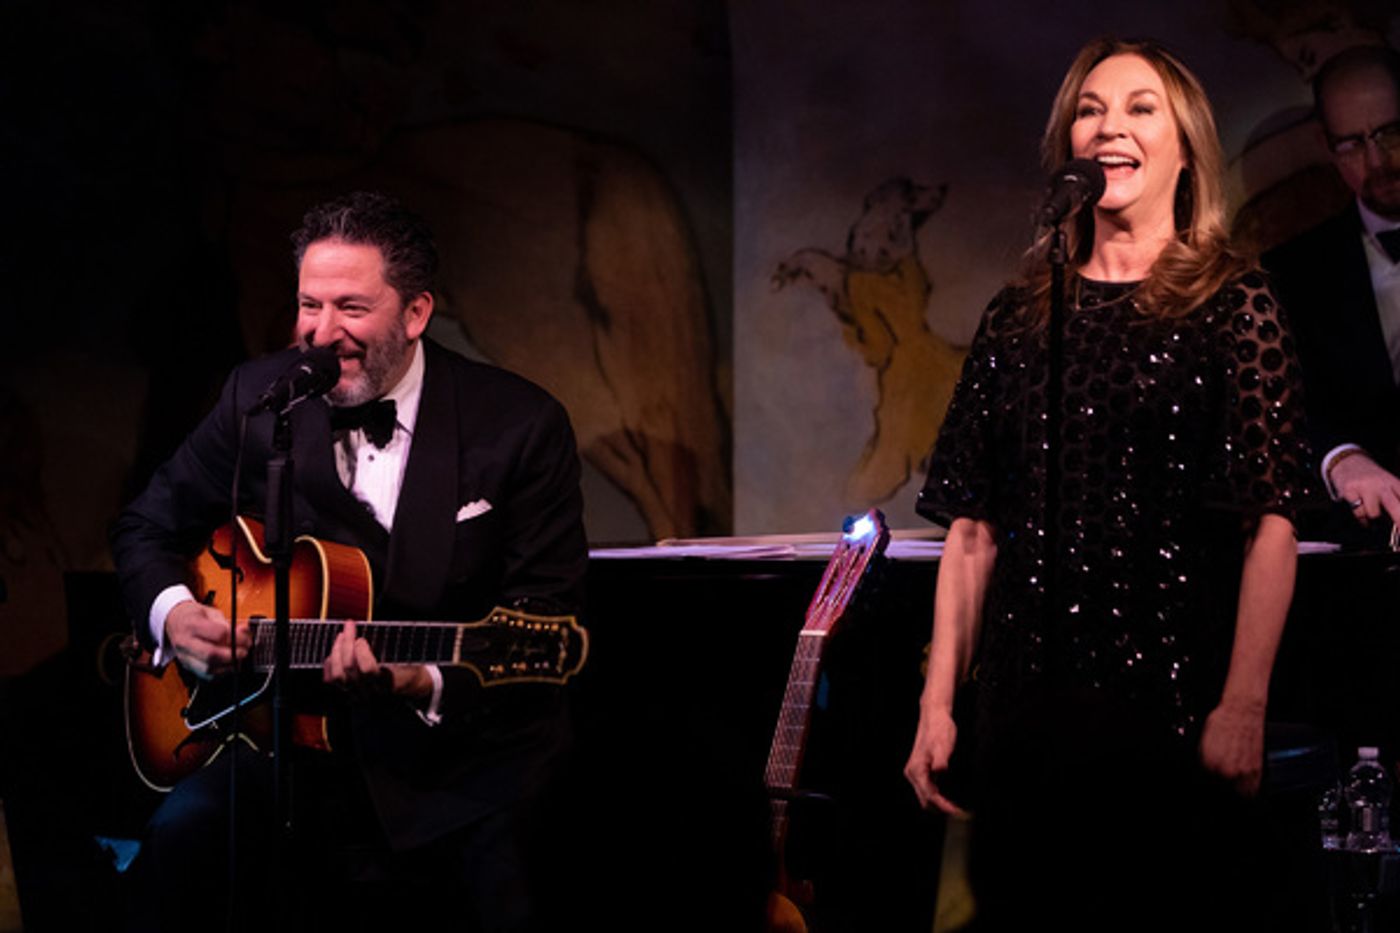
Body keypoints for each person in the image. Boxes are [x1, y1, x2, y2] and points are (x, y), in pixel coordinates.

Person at [902, 38, 1318, 932]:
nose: (1108, 127)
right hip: (1024, 710)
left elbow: (1271, 523)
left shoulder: (1234, 303)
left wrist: (1243, 704)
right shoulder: (1021, 314)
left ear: (1186, 148)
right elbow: (972, 530)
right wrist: (940, 705)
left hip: (1167, 707)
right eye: (1090, 109)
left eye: (1139, 108)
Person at [111, 191, 588, 932]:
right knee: (175, 849)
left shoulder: (520, 425)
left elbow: (547, 612)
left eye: (352, 308)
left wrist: (413, 676)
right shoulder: (258, 397)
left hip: (461, 765)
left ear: (417, 313)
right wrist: (177, 614)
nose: (321, 332)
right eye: (309, 304)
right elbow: (147, 523)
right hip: (289, 748)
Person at [1263, 44, 1400, 547]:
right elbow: (1285, 407)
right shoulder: (1291, 273)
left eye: (1390, 132)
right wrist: (1343, 457)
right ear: (1326, 145)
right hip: (1375, 548)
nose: (1377, 160)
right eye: (1352, 143)